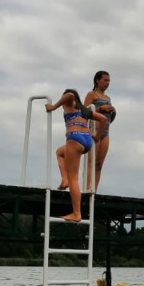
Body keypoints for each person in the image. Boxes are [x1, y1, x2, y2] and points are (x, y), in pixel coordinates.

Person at [44, 89, 107, 222]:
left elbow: (70, 95)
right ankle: (64, 178)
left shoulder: (68, 104)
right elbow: (103, 119)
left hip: (74, 138)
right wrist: (97, 136)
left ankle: (76, 213)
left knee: (74, 179)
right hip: (87, 141)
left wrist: (53, 107)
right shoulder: (84, 110)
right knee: (60, 152)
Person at [83, 70, 116, 192]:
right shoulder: (92, 94)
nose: (107, 83)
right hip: (94, 130)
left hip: (105, 131)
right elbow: (84, 112)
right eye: (105, 80)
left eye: (109, 81)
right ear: (98, 80)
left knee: (99, 164)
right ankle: (87, 188)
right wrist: (101, 108)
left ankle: (94, 190)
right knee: (91, 161)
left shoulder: (108, 98)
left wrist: (111, 111)